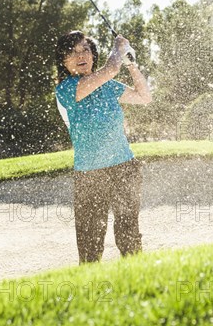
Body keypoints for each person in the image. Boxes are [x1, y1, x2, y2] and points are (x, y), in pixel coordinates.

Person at [54, 30, 152, 264]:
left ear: (92, 54)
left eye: (85, 49)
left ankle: (137, 289)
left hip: (124, 168)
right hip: (89, 176)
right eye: (72, 51)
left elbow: (144, 97)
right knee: (90, 247)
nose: (80, 55)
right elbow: (109, 69)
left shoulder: (109, 86)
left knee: (130, 239)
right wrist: (118, 49)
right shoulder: (66, 89)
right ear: (63, 61)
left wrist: (131, 64)